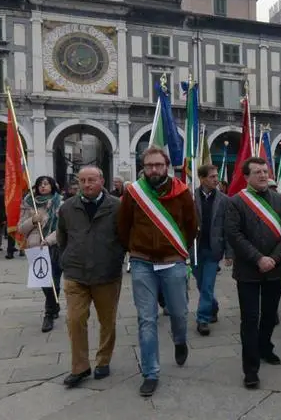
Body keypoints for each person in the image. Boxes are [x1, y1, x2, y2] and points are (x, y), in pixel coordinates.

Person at [119, 147, 198, 397]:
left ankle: (179, 339)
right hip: (142, 262)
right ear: (143, 167)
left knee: (179, 312)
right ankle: (150, 372)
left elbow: (191, 226)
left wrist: (176, 248)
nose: (154, 169)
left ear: (167, 166)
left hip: (172, 260)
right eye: (149, 165)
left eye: (158, 165)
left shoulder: (182, 193)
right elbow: (123, 225)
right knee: (147, 318)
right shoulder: (134, 193)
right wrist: (134, 248)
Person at [224, 156, 281, 390]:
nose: (263, 175)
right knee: (250, 319)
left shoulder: (280, 200)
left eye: (265, 171)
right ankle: (251, 369)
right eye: (257, 172)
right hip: (248, 272)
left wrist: (274, 258)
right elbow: (234, 235)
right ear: (246, 177)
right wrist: (258, 258)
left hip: (275, 269)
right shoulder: (236, 202)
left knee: (269, 315)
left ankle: (265, 347)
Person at [58, 166, 125, 388]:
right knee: (75, 320)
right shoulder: (68, 207)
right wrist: (66, 259)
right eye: (82, 180)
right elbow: (62, 237)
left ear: (102, 181)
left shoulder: (116, 206)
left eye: (92, 180)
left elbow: (125, 237)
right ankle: (80, 366)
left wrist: (115, 259)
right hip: (76, 273)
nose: (87, 185)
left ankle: (103, 360)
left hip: (106, 274)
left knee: (107, 321)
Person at [18, 176, 64, 332]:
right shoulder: (28, 203)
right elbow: (20, 228)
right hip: (36, 246)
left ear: (52, 186)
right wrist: (32, 220)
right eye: (40, 184)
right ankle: (52, 308)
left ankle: (50, 311)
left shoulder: (60, 202)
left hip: (55, 245)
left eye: (46, 184)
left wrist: (50, 240)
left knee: (55, 280)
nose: (43, 187)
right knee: (44, 281)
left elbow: (63, 228)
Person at [193, 163, 228, 336]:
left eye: (217, 176)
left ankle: (202, 319)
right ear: (202, 178)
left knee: (207, 284)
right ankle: (212, 306)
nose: (216, 179)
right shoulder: (191, 197)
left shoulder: (224, 200)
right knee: (201, 284)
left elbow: (228, 228)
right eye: (212, 177)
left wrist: (229, 253)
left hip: (213, 249)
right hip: (195, 249)